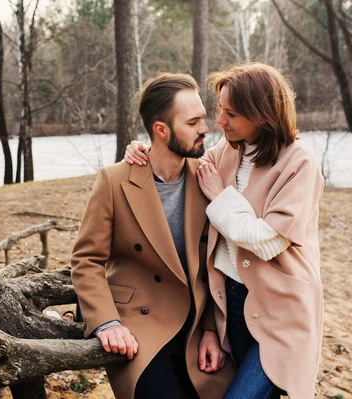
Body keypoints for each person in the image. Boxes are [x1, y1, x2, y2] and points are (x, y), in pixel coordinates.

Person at [124, 63, 324, 399]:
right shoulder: (228, 152)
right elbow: (179, 159)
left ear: (261, 114)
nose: (220, 121)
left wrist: (220, 197)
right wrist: (143, 148)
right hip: (230, 303)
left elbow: (268, 241)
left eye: (230, 113)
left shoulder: (299, 162)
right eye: (220, 109)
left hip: (282, 310)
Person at [71, 72, 235, 399]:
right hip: (138, 328)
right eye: (193, 122)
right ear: (161, 130)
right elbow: (86, 260)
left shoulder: (206, 178)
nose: (205, 128)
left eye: (203, 118)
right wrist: (107, 323)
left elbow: (212, 264)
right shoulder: (115, 181)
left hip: (194, 326)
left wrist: (210, 331)